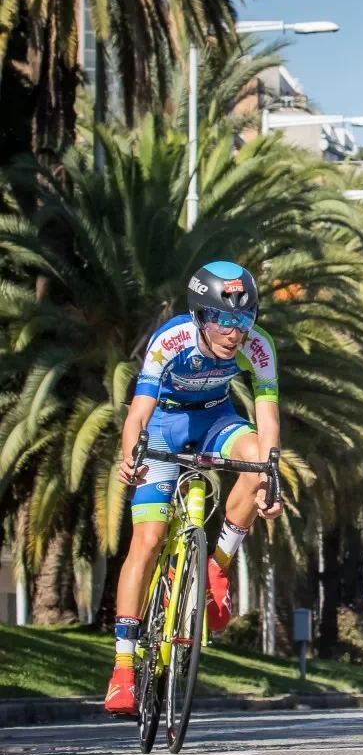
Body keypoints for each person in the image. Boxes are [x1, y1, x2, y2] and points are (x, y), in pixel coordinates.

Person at [104, 263, 282, 715]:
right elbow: (138, 412)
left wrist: (271, 476)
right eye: (224, 320)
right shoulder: (171, 340)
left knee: (260, 459)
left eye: (243, 321)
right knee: (146, 540)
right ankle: (123, 667)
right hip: (162, 426)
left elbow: (268, 418)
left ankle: (217, 566)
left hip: (215, 419)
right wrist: (131, 454)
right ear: (201, 316)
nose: (235, 332)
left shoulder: (258, 346)